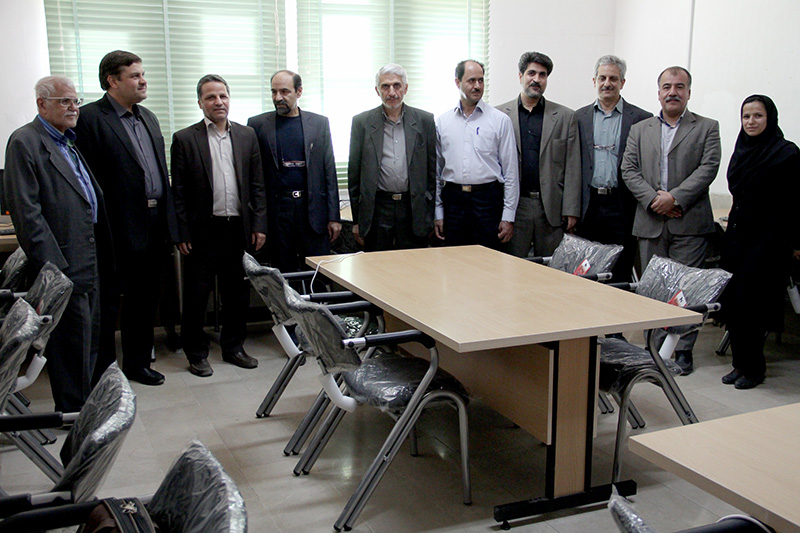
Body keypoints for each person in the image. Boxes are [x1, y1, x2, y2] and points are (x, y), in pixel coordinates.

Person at [3, 75, 110, 411]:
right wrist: (55, 271)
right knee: (71, 345)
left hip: (88, 256)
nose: (73, 108)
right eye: (65, 101)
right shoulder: (25, 142)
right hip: (64, 264)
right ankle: (73, 412)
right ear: (42, 104)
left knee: (89, 338)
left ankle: (84, 405)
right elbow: (28, 216)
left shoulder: (67, 142)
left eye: (76, 101)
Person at [74, 50, 179, 386]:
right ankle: (104, 371)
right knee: (108, 302)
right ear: (112, 81)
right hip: (114, 227)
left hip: (153, 222)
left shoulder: (148, 117)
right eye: (135, 75)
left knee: (144, 299)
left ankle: (137, 363)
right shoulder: (90, 118)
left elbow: (159, 171)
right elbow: (86, 178)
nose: (143, 81)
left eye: (142, 74)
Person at [621, 66, 721, 374]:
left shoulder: (707, 127)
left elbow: (708, 168)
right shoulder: (641, 129)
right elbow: (628, 169)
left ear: (689, 92)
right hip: (650, 220)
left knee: (685, 288)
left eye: (679, 86)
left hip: (690, 222)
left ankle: (683, 350)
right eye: (667, 86)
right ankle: (654, 347)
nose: (672, 92)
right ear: (659, 92)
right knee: (655, 289)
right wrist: (655, 200)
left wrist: (674, 198)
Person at [171, 74, 267, 377]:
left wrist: (259, 224)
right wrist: (181, 231)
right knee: (197, 296)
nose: (218, 102)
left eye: (223, 96)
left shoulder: (247, 135)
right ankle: (197, 353)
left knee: (236, 293)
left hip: (238, 228)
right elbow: (179, 192)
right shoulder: (185, 139)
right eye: (211, 97)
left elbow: (257, 184)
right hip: (202, 231)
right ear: (200, 102)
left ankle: (234, 347)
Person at [718, 95, 800, 389]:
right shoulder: (742, 149)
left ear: (770, 118)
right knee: (735, 304)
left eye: (757, 116)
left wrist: (794, 243)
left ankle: (754, 368)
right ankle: (739, 364)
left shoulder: (786, 153)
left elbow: (795, 203)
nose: (751, 122)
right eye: (746, 116)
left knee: (753, 306)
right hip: (738, 239)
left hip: (767, 243)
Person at [247, 70, 341, 273]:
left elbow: (329, 171)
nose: (277, 97)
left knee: (318, 273)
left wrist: (334, 217)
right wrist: (258, 222)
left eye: (284, 91)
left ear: (299, 92)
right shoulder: (257, 125)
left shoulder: (319, 124)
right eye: (273, 92)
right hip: (279, 211)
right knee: (284, 273)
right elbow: (254, 177)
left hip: (312, 211)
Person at [576, 55, 651, 282]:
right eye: (602, 78)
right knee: (587, 269)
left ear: (622, 82)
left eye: (613, 78)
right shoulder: (579, 117)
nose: (607, 83)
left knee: (620, 270)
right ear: (594, 81)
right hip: (589, 205)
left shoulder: (641, 119)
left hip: (623, 205)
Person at [497, 51, 580, 258]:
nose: (536, 79)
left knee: (551, 269)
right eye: (531, 73)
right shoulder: (499, 115)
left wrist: (571, 210)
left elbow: (572, 167)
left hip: (551, 207)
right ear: (520, 76)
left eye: (542, 75)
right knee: (511, 266)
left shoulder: (565, 117)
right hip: (516, 206)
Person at [348, 63, 436, 250]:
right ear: (377, 90)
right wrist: (357, 220)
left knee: (414, 262)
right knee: (377, 263)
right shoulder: (362, 123)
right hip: (378, 208)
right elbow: (354, 176)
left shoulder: (424, 121)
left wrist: (429, 215)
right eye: (385, 86)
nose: (392, 92)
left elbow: (432, 172)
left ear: (405, 88)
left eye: (397, 85)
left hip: (412, 208)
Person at [435, 59, 518, 249]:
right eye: (471, 80)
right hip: (453, 201)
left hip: (487, 201)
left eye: (481, 80)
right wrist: (438, 213)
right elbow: (436, 173)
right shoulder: (443, 122)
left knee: (489, 259)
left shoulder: (500, 121)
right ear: (458, 82)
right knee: (454, 258)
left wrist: (508, 217)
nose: (477, 86)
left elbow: (511, 173)